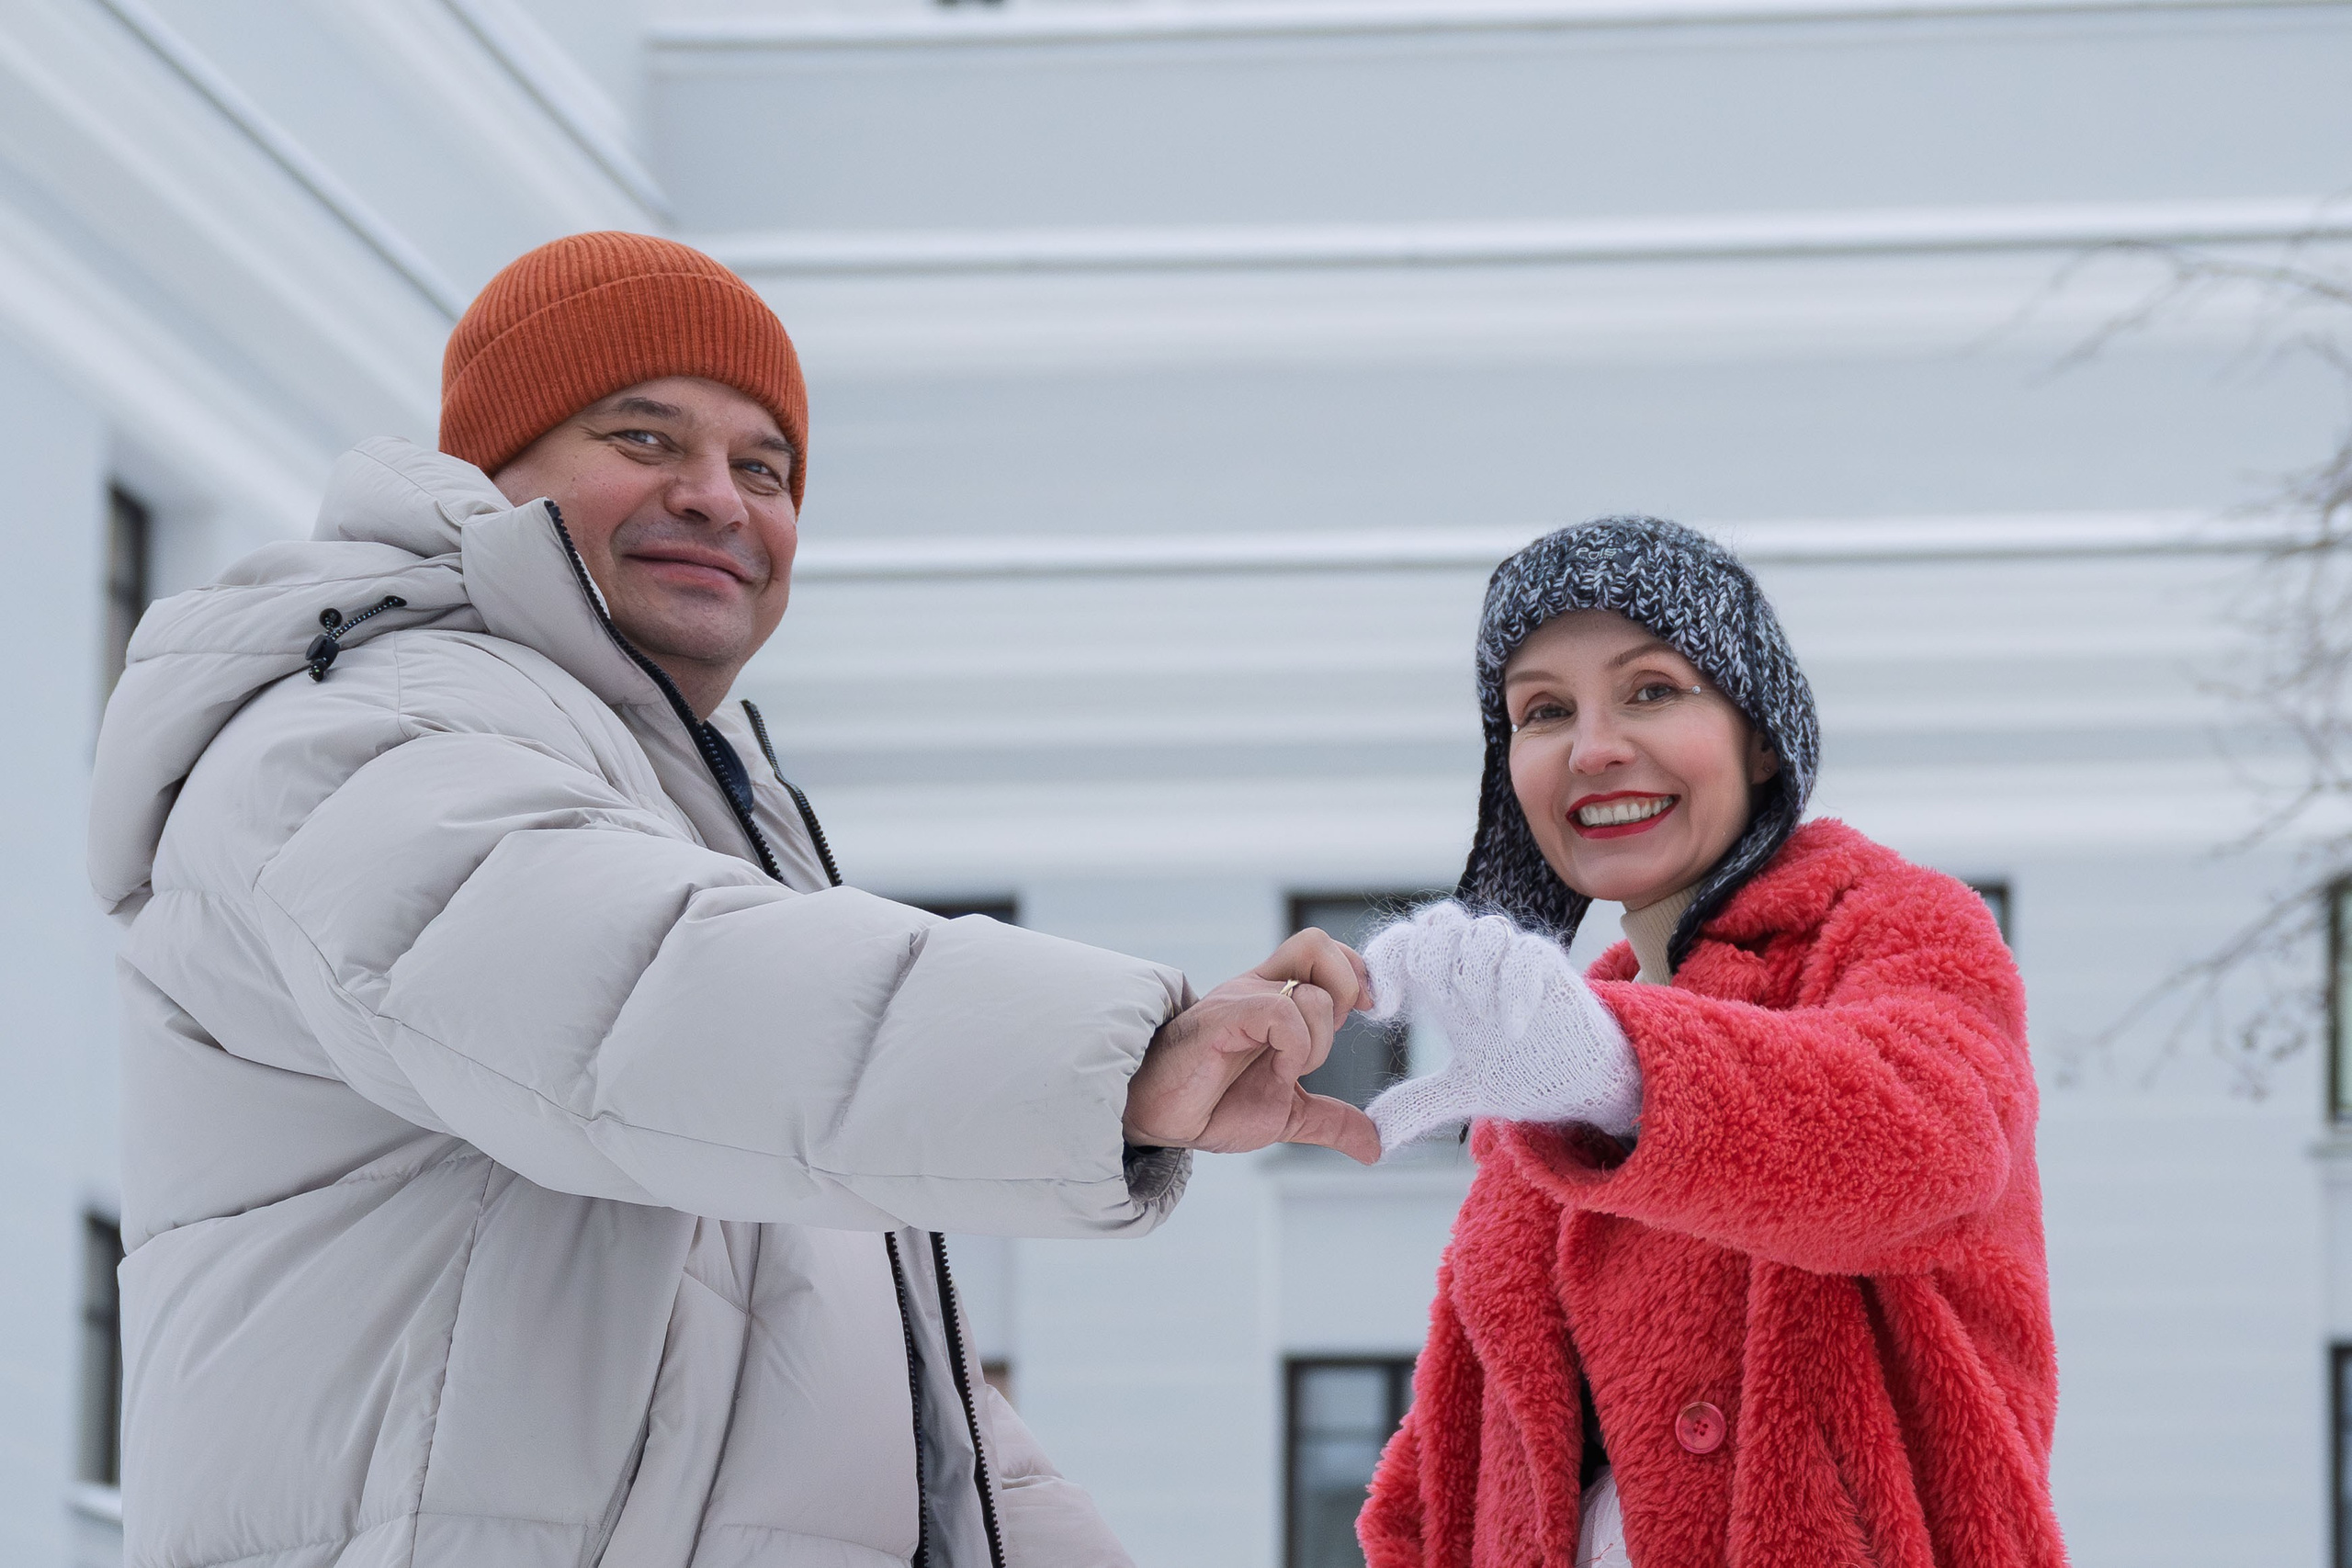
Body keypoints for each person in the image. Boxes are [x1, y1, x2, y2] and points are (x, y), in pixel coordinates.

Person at [86, 231, 1377, 1568]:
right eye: (645, 438)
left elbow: (923, 1434)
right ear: (486, 474)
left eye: (765, 469)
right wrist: (1121, 1054)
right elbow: (627, 989)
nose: (716, 497)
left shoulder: (701, 831)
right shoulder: (354, 730)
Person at [1350, 517, 2065, 1567]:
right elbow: (1441, 1476)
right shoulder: (1543, 1078)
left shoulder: (1893, 928)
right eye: (1542, 712)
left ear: (1760, 731)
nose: (1592, 748)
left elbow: (1934, 1146)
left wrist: (1617, 1070)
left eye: (1651, 690)